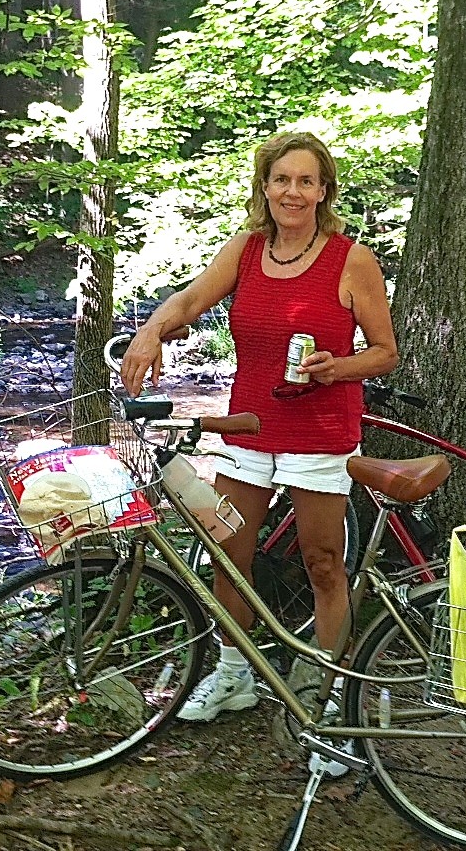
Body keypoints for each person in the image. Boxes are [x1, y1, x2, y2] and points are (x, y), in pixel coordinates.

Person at [120, 131, 398, 728]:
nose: (292, 192)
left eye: (305, 181)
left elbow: (384, 353)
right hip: (250, 427)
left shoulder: (351, 259)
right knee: (227, 553)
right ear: (265, 187)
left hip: (321, 432)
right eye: (281, 180)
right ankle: (234, 675)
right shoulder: (247, 249)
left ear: (323, 191)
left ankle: (329, 691)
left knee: (323, 563)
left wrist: (337, 367)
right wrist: (150, 331)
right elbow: (190, 301)